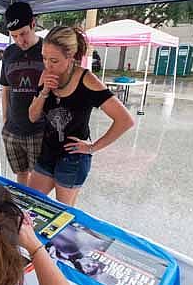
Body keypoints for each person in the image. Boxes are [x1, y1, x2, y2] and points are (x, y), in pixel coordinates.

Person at [28, 26, 134, 206]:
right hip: (46, 153)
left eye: (54, 60)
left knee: (63, 214)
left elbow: (125, 120)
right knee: (30, 202)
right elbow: (32, 116)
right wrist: (45, 91)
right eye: (44, 58)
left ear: (70, 57)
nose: (47, 65)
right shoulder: (45, 75)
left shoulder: (87, 80)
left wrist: (93, 147)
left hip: (73, 158)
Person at [0, 2, 45, 185]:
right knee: (20, 175)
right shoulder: (9, 53)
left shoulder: (47, 50)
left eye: (23, 33)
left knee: (39, 181)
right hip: (12, 130)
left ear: (33, 24)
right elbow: (5, 88)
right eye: (14, 36)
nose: (20, 40)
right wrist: (5, 119)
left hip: (39, 131)